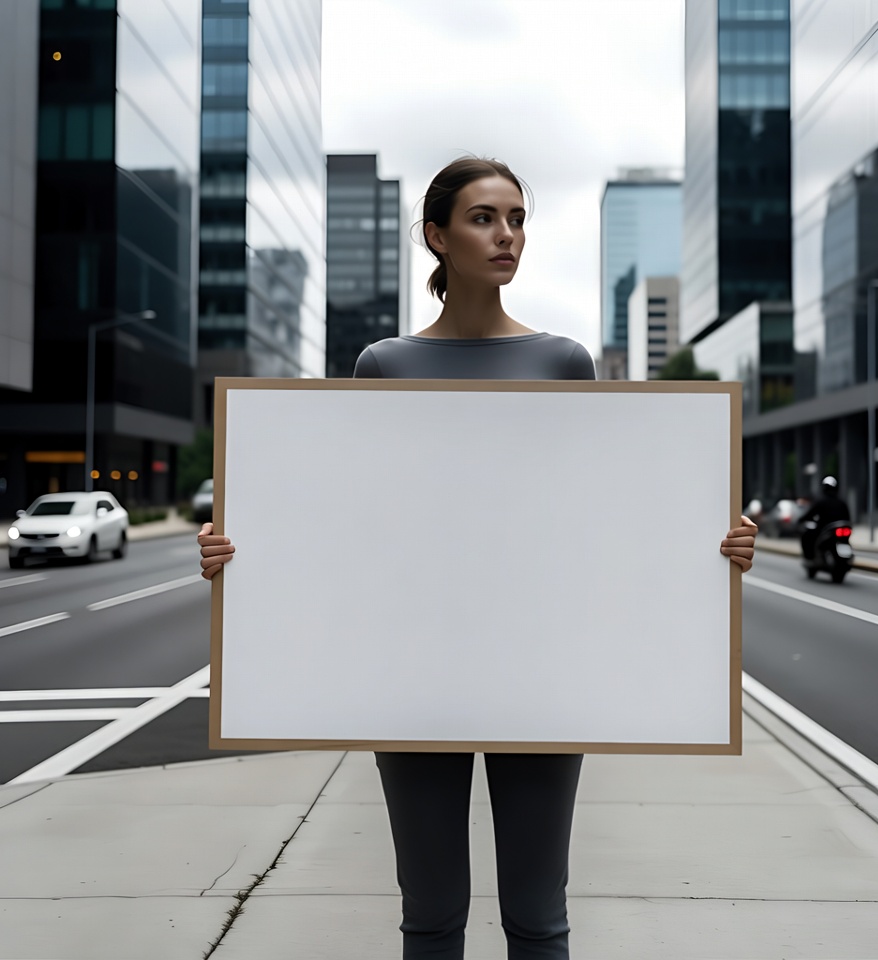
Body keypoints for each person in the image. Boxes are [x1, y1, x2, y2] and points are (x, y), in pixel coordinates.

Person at [198, 157, 758, 960]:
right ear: (437, 235)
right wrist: (237, 553)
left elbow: (599, 517)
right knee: (430, 914)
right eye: (485, 218)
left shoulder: (564, 363)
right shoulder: (383, 366)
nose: (508, 236)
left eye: (518, 218)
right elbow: (354, 523)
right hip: (414, 670)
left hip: (540, 669)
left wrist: (715, 543)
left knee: (538, 914)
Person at [798, 475, 851, 560]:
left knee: (807, 535)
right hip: (834, 530)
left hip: (825, 529)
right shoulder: (842, 502)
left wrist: (800, 520)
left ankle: (810, 557)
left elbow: (810, 514)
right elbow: (848, 518)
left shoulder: (821, 502)